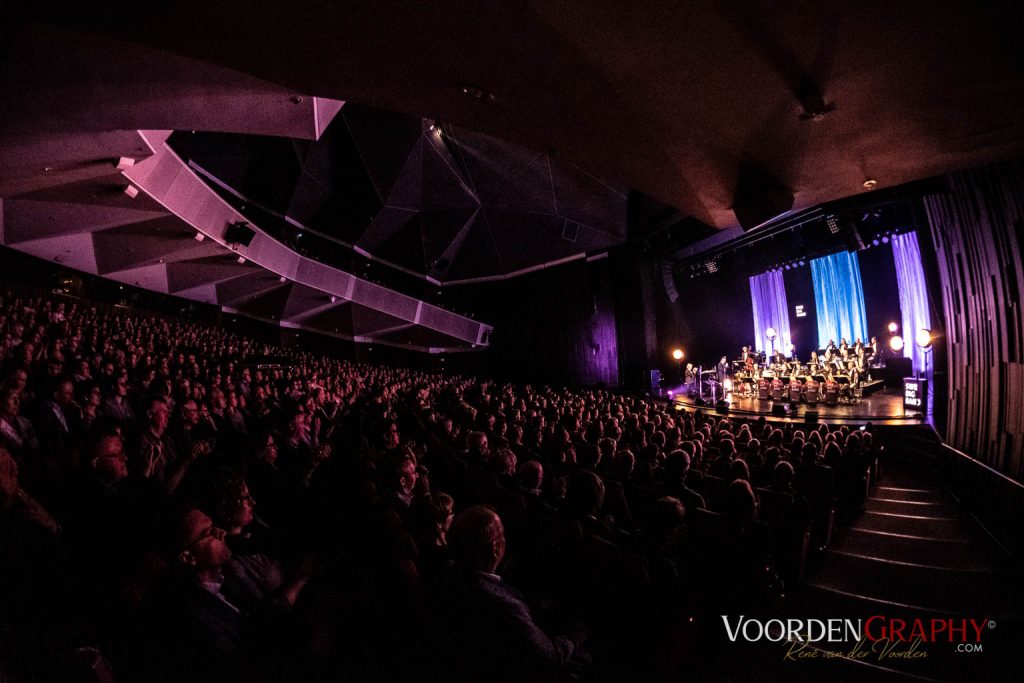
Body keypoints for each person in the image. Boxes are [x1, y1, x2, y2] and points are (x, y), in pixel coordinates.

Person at [438, 505, 587, 682]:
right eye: (502, 537)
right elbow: (550, 658)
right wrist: (577, 635)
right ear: (495, 548)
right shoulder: (503, 605)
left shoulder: (446, 575)